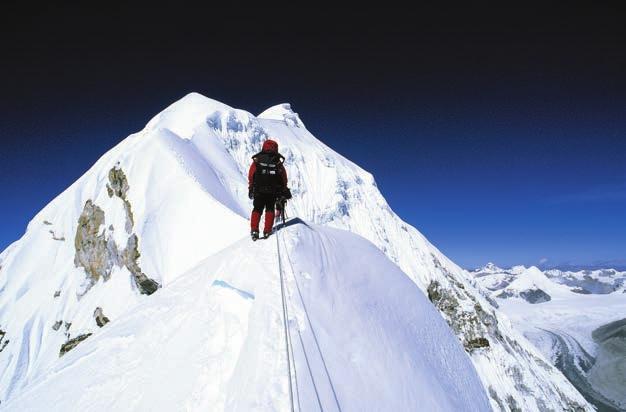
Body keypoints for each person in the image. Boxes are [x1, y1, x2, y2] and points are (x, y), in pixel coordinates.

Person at [248, 139, 290, 240]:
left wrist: (251, 187)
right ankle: (267, 231)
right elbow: (284, 177)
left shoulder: (258, 159)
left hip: (258, 190)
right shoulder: (277, 161)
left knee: (257, 209)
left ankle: (254, 230)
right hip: (272, 191)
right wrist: (283, 188)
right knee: (270, 209)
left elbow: (251, 174)